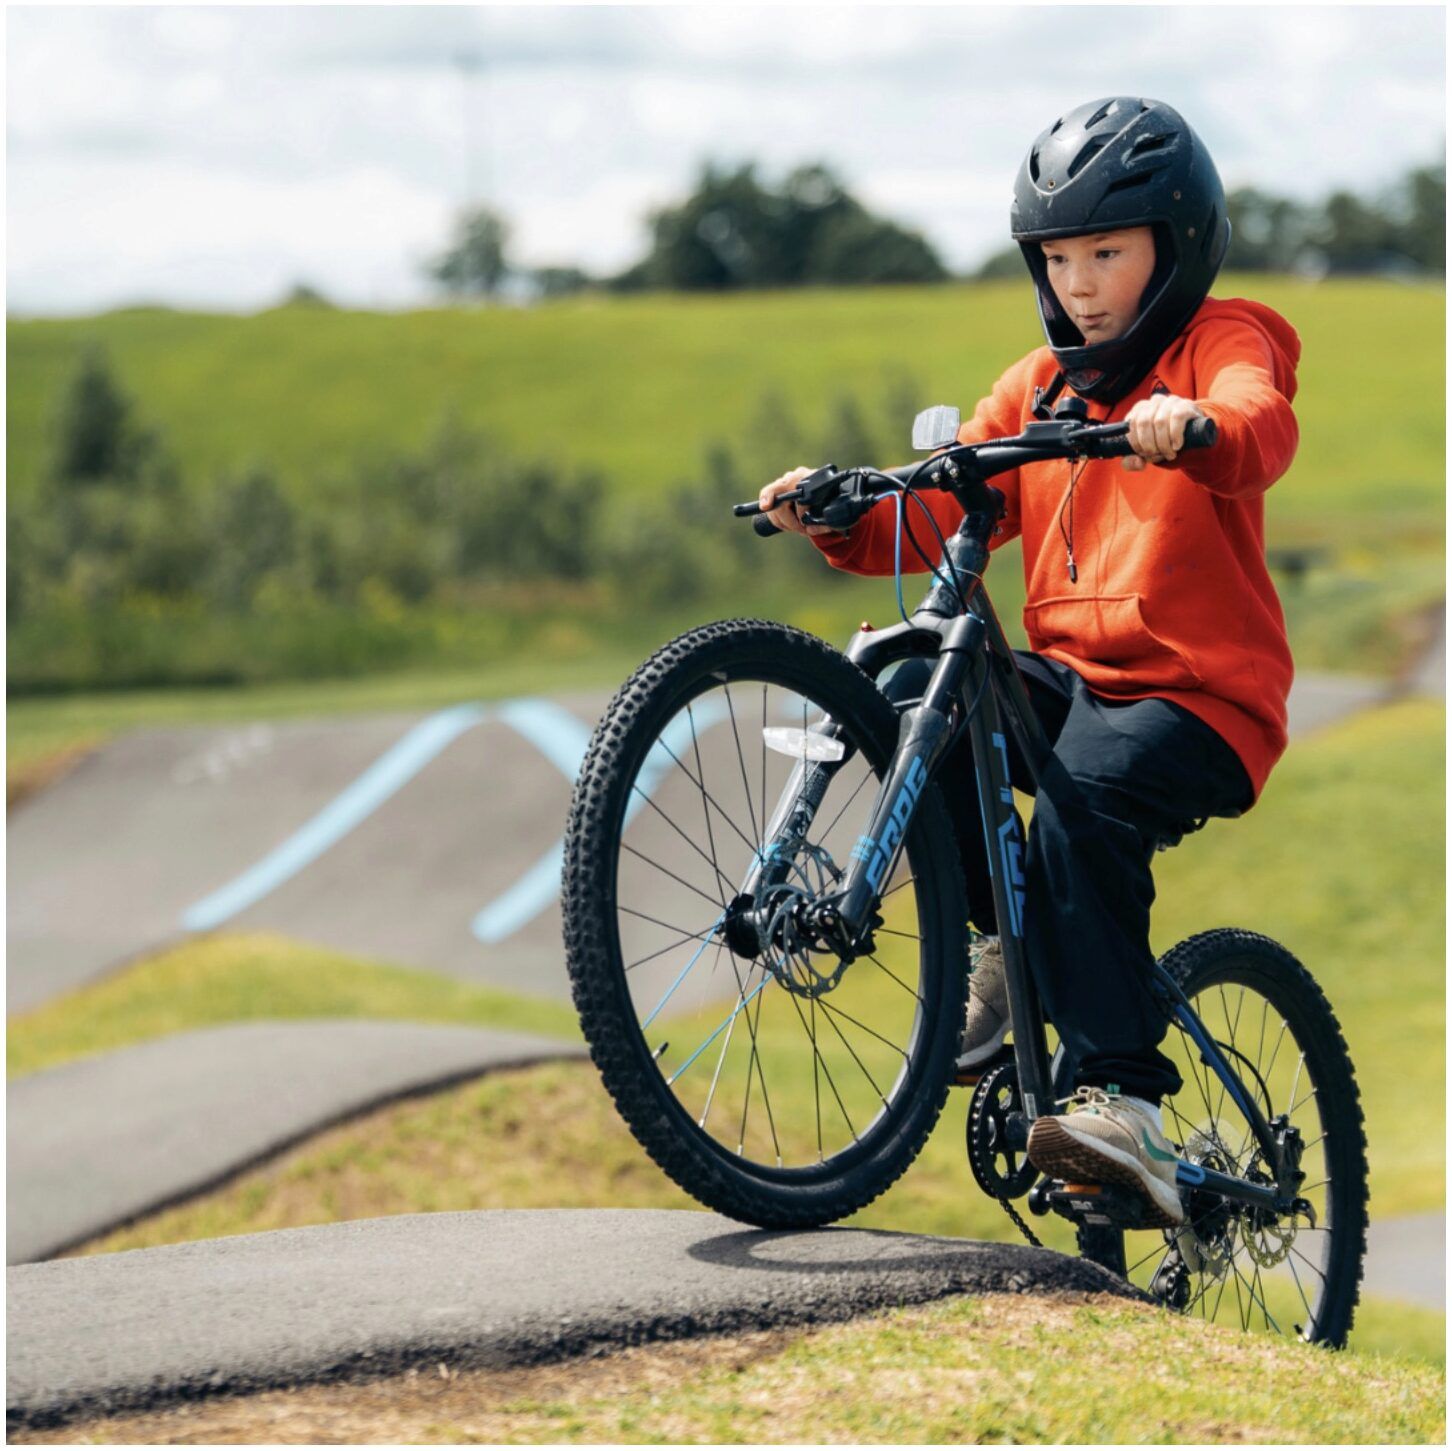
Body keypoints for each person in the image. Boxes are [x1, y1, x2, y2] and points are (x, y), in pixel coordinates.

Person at [756, 96, 1299, 1229]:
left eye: (1108, 253)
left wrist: (1191, 424)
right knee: (916, 688)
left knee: (1078, 806)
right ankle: (998, 950)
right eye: (1058, 259)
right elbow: (934, 506)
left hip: (1199, 695)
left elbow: (1256, 422)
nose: (1081, 284)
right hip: (1072, 686)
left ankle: (1125, 1102)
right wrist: (839, 513)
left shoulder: (1223, 341)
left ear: (1178, 247)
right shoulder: (1038, 387)